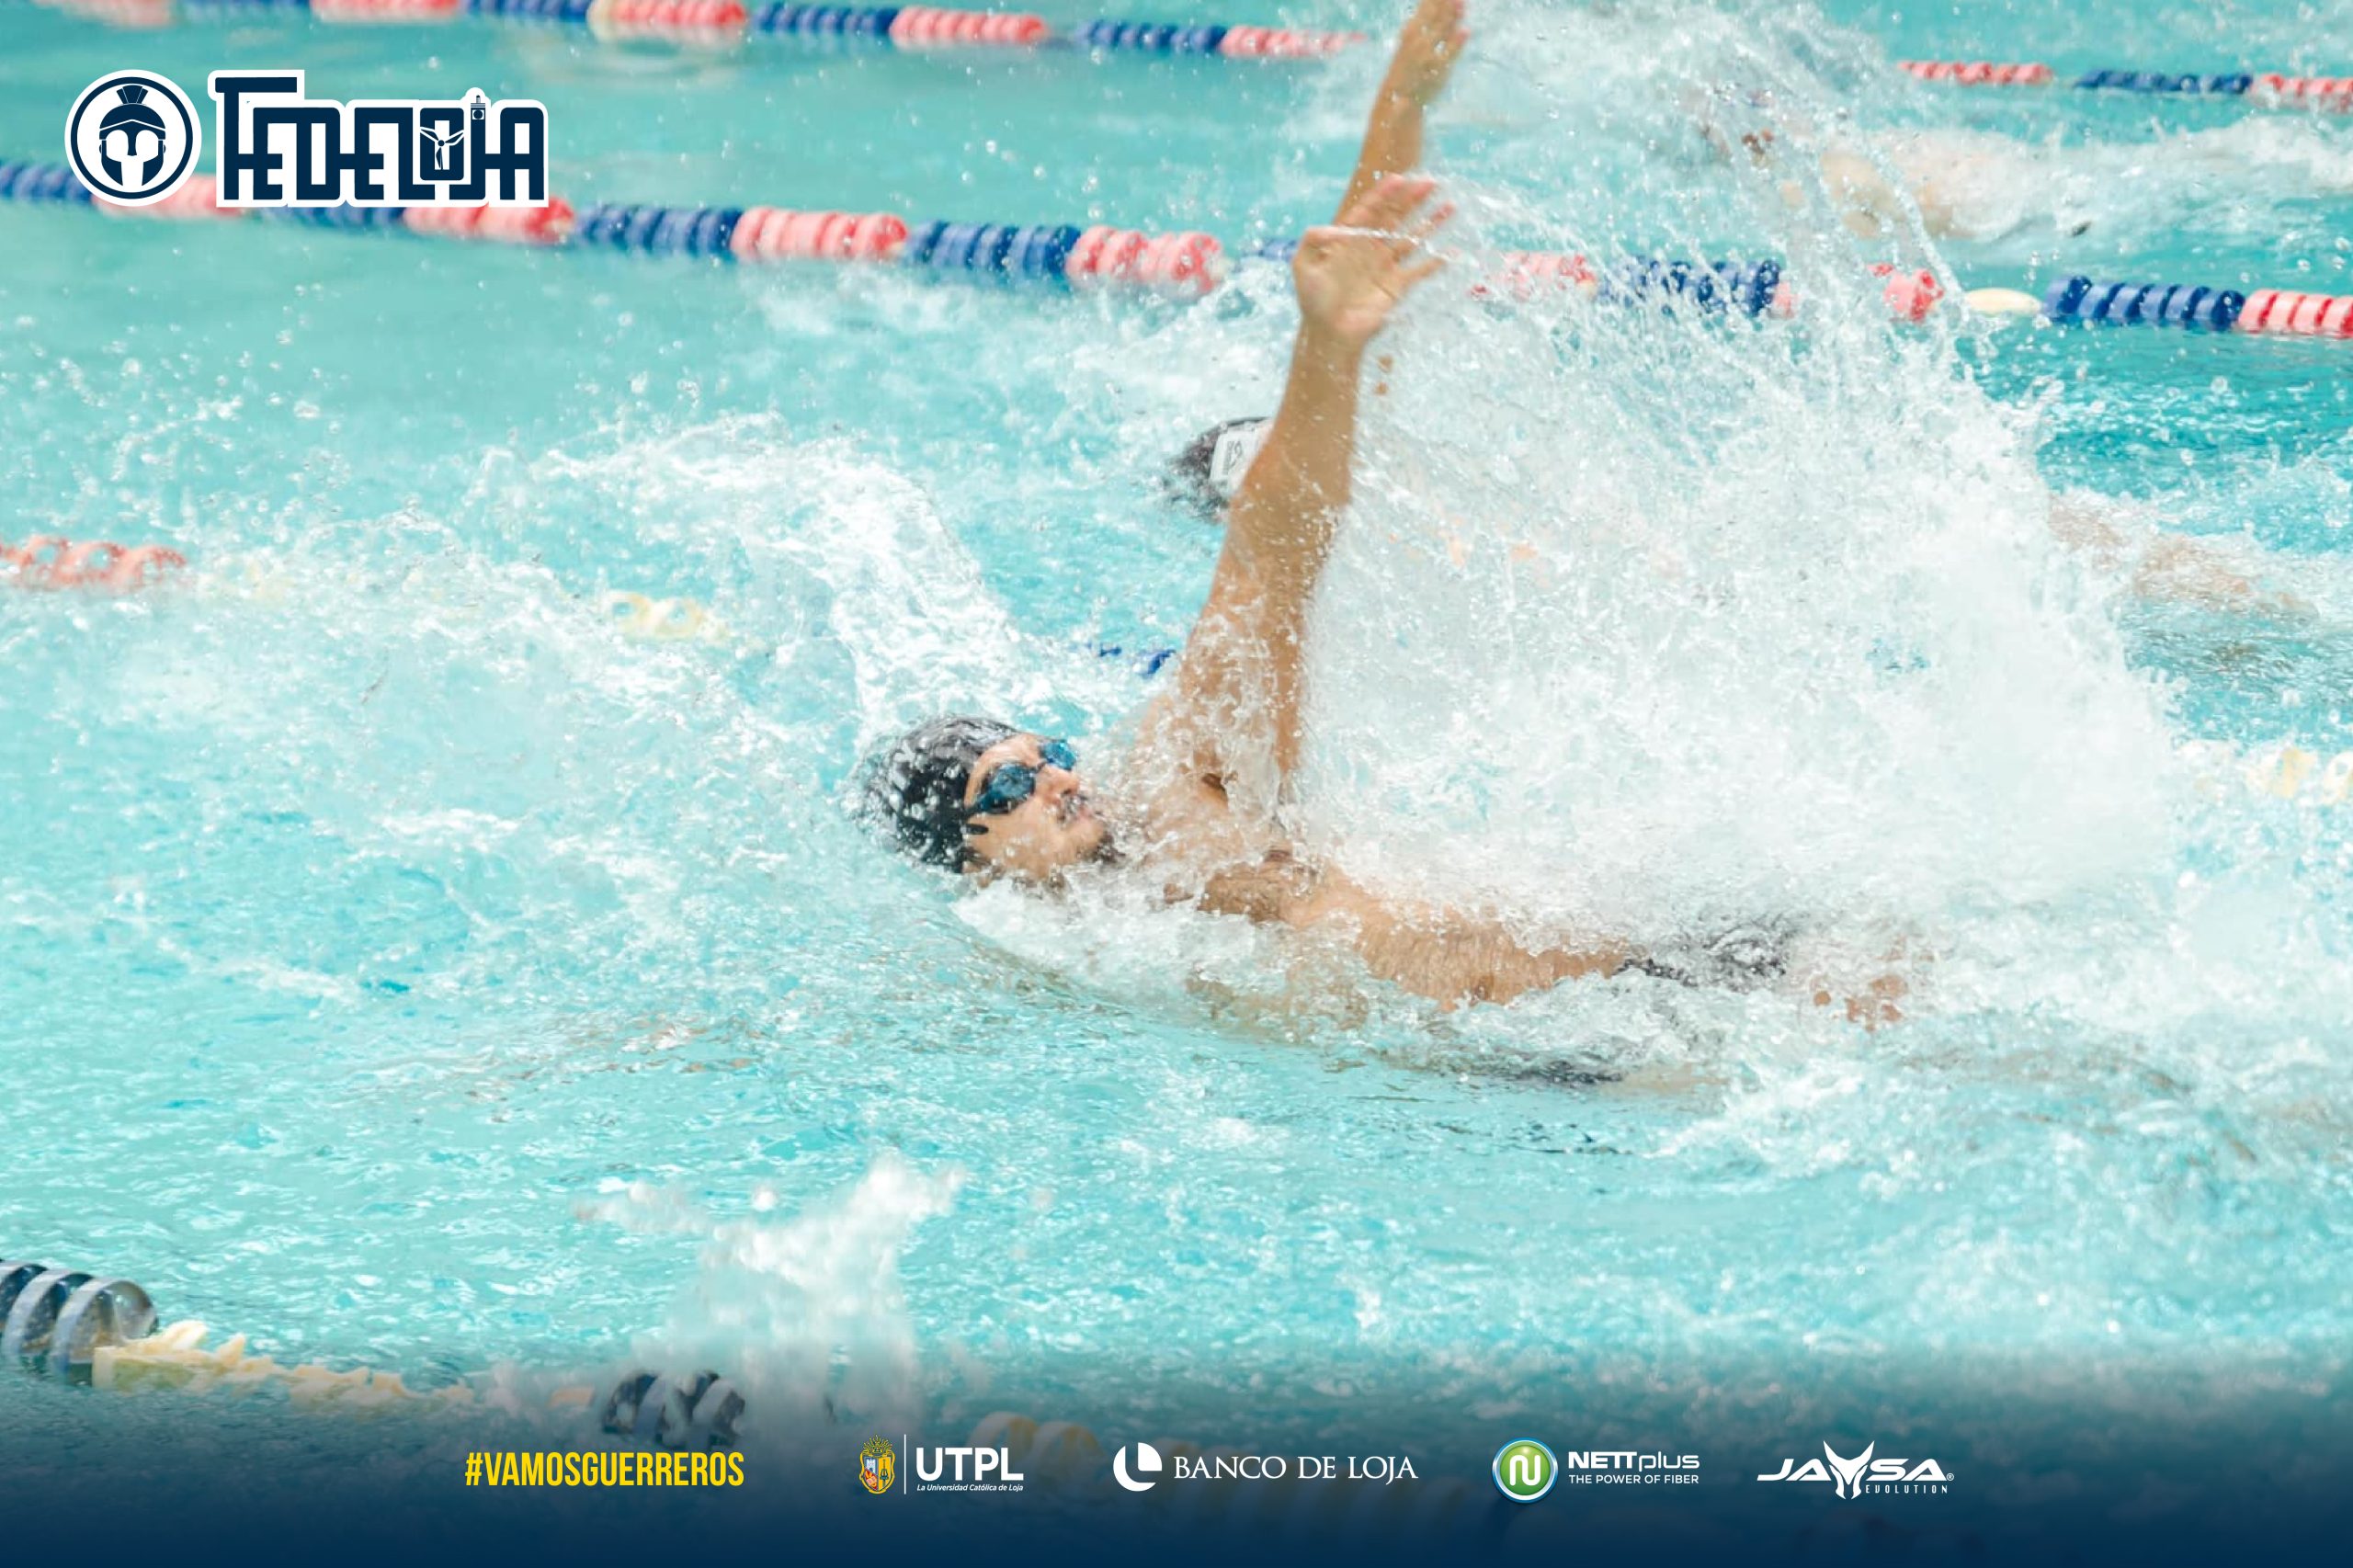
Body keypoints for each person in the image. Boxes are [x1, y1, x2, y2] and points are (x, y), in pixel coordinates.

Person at [866, 0, 1678, 1010]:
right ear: (970, 857)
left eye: (1048, 755)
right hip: (1527, 1056)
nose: (1060, 779)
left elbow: (1270, 556)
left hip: (1629, 990)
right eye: (1011, 787)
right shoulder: (1059, 939)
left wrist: (1328, 341)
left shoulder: (1173, 788)